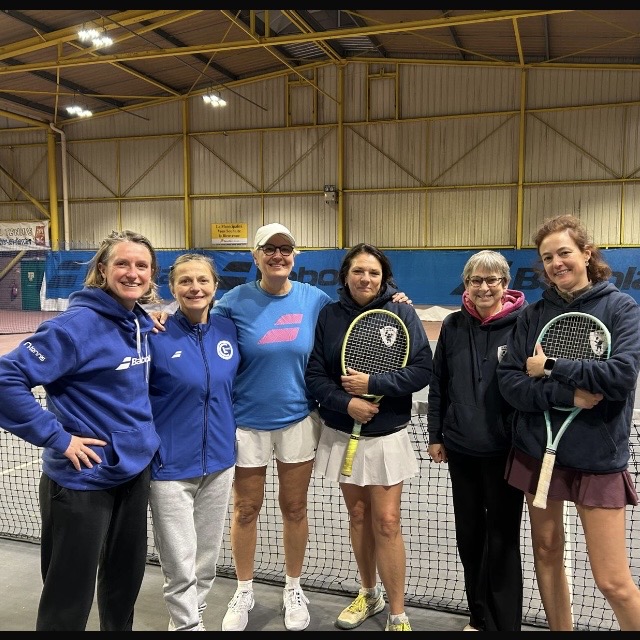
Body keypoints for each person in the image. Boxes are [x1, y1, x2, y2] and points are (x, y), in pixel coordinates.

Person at [152, 224, 410, 632]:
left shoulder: (314, 299)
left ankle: (293, 587)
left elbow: (354, 310)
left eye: (285, 249)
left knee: (294, 508)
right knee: (246, 509)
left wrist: (393, 298)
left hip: (298, 420)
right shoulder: (232, 302)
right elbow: (196, 321)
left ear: (294, 256)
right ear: (256, 256)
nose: (277, 255)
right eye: (269, 249)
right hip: (245, 424)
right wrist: (161, 318)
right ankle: (244, 589)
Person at [0, 230, 161, 631]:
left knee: (123, 585)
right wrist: (57, 437)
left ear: (151, 274)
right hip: (82, 480)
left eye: (141, 265)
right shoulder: (74, 326)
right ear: (102, 270)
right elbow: (6, 379)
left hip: (133, 473)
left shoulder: (139, 322)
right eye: (122, 263)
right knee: (68, 597)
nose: (132, 273)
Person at [497, 214, 640, 631]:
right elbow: (511, 383)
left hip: (597, 457)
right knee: (546, 552)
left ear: (587, 253)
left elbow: (621, 375)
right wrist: (568, 394)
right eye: (548, 257)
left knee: (612, 581)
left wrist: (551, 366)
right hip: (538, 453)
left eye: (564, 253)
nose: (557, 263)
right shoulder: (533, 315)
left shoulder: (621, 307)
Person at [305, 243, 432, 632]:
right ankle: (369, 593)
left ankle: (398, 612)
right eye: (358, 271)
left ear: (384, 277)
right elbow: (315, 375)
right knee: (358, 515)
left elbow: (422, 369)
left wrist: (373, 385)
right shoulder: (330, 315)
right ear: (345, 275)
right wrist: (347, 403)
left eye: (374, 272)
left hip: (386, 435)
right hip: (343, 430)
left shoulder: (402, 312)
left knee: (388, 521)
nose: (366, 279)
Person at [427, 250, 527, 632]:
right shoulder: (453, 326)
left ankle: (506, 625)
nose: (484, 287)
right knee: (469, 539)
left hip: (506, 453)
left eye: (492, 280)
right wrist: (436, 434)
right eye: (475, 280)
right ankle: (479, 616)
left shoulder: (523, 324)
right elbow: (439, 383)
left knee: (502, 541)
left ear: (505, 283)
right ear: (466, 285)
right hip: (461, 451)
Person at [148, 254, 240, 631]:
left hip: (220, 462)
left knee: (205, 562)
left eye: (202, 280)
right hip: (169, 467)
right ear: (173, 288)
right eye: (185, 281)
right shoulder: (153, 332)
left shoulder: (228, 329)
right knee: (179, 563)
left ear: (215, 286)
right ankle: (189, 627)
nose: (195, 288)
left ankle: (188, 620)